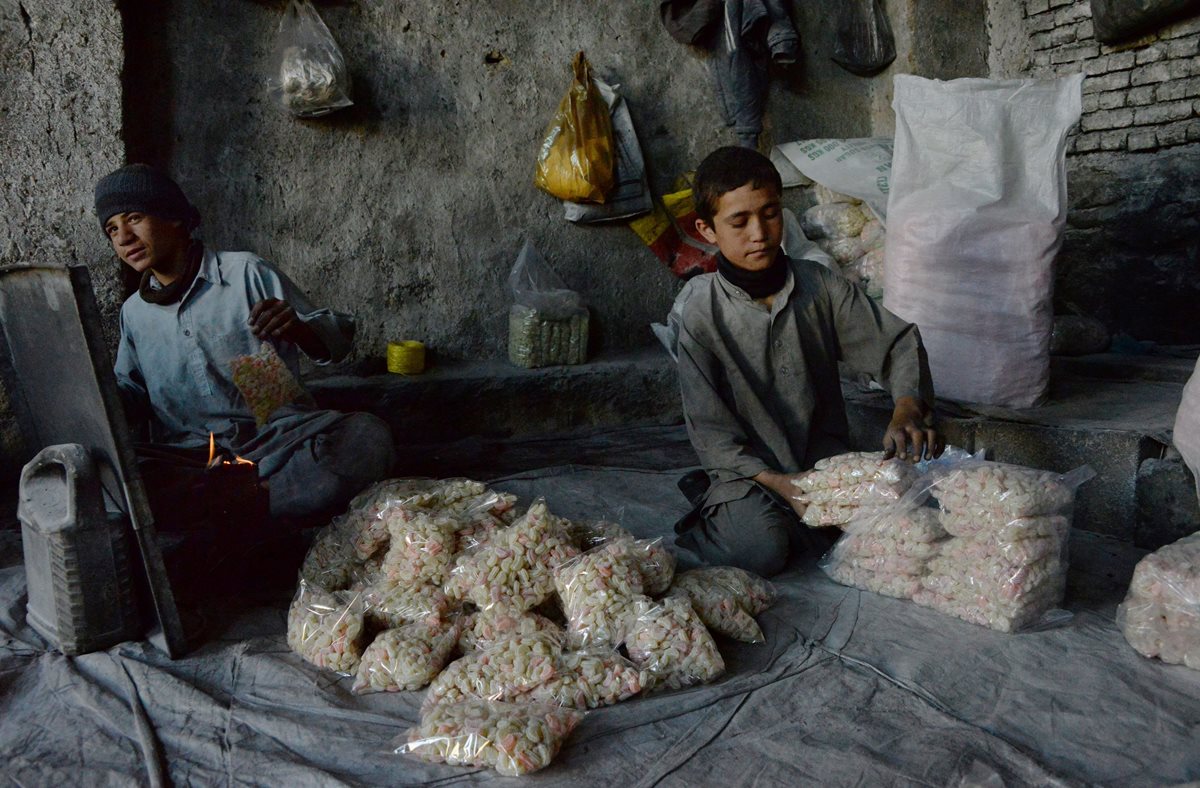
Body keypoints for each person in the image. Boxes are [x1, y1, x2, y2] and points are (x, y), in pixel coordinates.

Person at [674, 146, 942, 577]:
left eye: (770, 214)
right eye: (739, 222)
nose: (759, 233)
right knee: (761, 551)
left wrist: (907, 407)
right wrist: (784, 487)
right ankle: (712, 508)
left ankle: (799, 520)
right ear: (707, 229)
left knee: (902, 526)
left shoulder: (820, 286)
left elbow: (897, 343)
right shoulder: (700, 313)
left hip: (822, 460)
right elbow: (712, 436)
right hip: (749, 473)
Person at [95, 163, 395, 524]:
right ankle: (251, 502)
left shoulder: (245, 273)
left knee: (366, 438)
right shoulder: (134, 313)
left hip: (276, 441)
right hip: (189, 453)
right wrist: (93, 393)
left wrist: (297, 328)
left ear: (174, 218)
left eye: (135, 218)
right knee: (101, 475)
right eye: (112, 229)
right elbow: (130, 391)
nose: (124, 236)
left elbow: (336, 339)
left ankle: (232, 504)